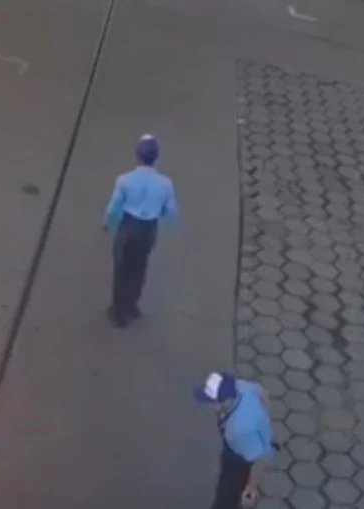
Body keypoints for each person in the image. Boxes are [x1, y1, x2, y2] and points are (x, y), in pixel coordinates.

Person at [102, 134, 179, 327]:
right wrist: (166, 218)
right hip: (148, 228)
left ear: (137, 156)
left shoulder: (124, 180)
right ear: (156, 157)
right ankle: (131, 306)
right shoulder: (165, 183)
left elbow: (115, 206)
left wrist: (107, 222)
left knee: (121, 268)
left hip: (128, 226)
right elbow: (170, 210)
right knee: (139, 268)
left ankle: (118, 312)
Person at [194, 372, 276, 509]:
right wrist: (264, 421)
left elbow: (260, 458)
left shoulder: (237, 430)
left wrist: (251, 489)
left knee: (227, 495)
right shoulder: (240, 386)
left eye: (211, 402)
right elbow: (262, 392)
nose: (208, 406)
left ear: (223, 402)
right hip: (254, 438)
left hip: (240, 456)